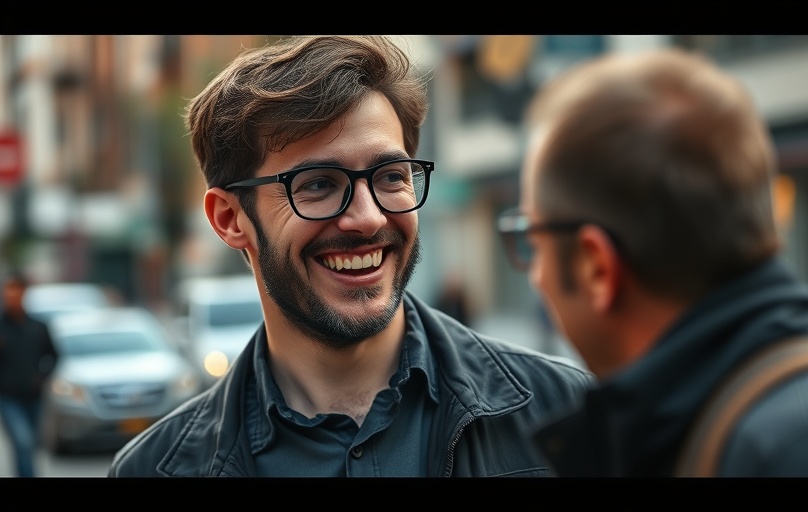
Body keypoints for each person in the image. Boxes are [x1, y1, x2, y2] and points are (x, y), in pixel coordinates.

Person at [108, 35, 595, 477]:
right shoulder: (153, 470)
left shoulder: (567, 413)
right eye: (319, 184)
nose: (367, 218)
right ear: (230, 219)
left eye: (390, 177)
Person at [497, 47, 808, 476]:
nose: (535, 276)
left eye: (532, 240)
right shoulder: (771, 422)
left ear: (597, 267)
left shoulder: (795, 449)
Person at [0, 272, 59, 477]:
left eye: (15, 291)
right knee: (22, 440)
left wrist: (42, 377)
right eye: (7, 292)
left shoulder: (38, 326)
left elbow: (53, 355)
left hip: (33, 396)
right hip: (8, 397)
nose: (11, 296)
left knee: (30, 445)